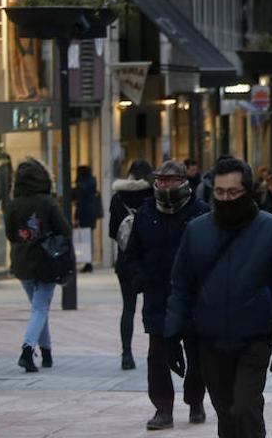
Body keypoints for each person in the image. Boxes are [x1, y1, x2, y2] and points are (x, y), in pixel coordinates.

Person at [165, 157, 272, 438]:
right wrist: (172, 335)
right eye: (219, 192)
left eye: (233, 192)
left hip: (255, 336)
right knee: (226, 413)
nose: (225, 198)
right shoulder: (197, 230)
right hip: (210, 339)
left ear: (248, 192)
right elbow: (181, 287)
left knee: (244, 407)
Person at [124, 161, 210, 430]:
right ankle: (163, 408)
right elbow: (132, 253)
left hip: (193, 299)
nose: (165, 185)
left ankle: (195, 400)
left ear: (183, 181)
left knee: (197, 354)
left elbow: (213, 253)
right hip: (157, 295)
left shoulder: (201, 212)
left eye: (171, 180)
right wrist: (140, 279)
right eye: (161, 180)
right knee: (157, 354)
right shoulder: (146, 213)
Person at [4, 159, 70, 372]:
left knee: (38, 309)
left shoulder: (14, 204)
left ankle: (47, 353)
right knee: (40, 308)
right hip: (46, 261)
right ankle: (26, 350)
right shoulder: (47, 202)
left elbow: (10, 234)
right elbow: (64, 229)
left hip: (22, 261)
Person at [109, 159, 154, 371]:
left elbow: (112, 232)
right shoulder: (153, 195)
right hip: (150, 260)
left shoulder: (118, 198)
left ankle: (126, 354)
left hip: (125, 260)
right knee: (154, 305)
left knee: (128, 308)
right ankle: (156, 351)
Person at [74, 165, 101, 273]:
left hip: (84, 214)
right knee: (89, 237)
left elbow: (80, 201)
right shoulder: (92, 182)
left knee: (85, 239)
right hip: (91, 214)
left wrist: (76, 217)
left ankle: (87, 261)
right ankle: (88, 261)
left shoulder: (82, 184)